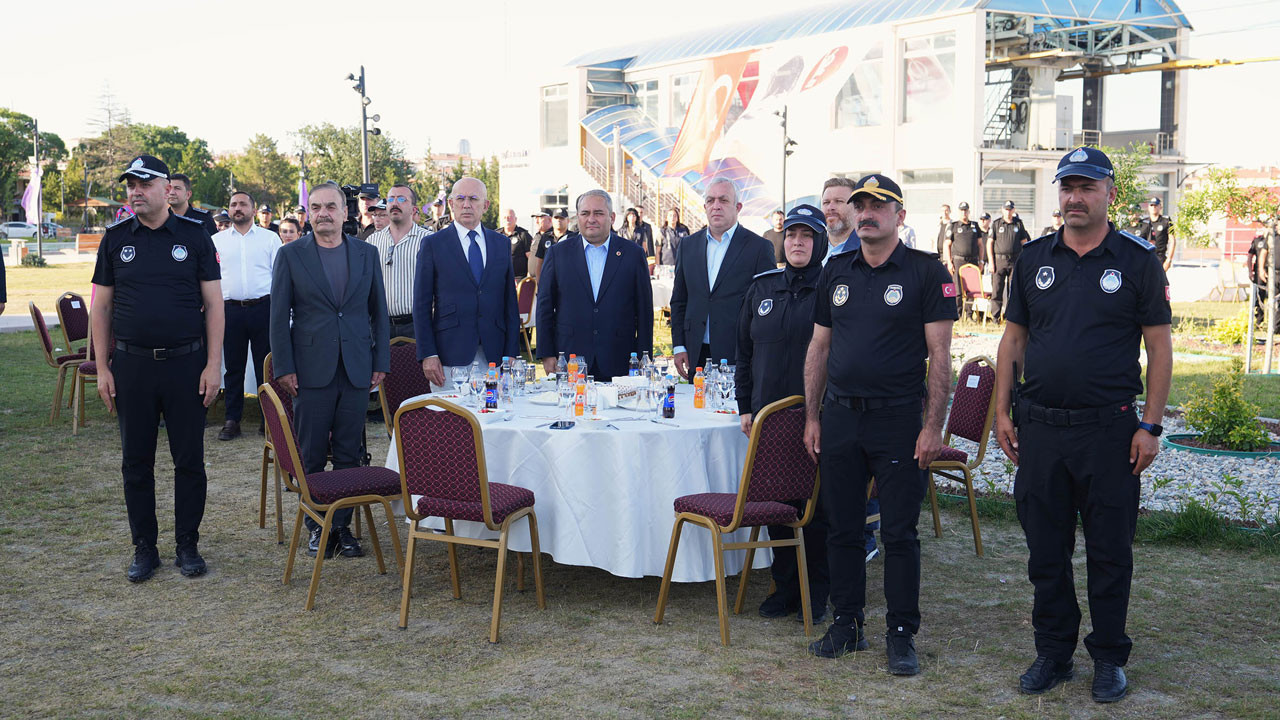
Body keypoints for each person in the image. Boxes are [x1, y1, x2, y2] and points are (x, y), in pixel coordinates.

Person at [994, 147, 1172, 704]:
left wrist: (1151, 426)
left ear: (1109, 194)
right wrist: (1001, 411)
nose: (1075, 197)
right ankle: (1053, 652)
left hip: (1110, 433)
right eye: (1068, 187)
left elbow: (1159, 349)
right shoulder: (1033, 258)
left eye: (1087, 187)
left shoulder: (1137, 261)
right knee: (1045, 551)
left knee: (1109, 552)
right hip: (1042, 430)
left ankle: (1109, 658)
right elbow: (1013, 340)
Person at [802, 173, 956, 674]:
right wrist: (812, 416)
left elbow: (940, 356)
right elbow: (819, 347)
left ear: (899, 216)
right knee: (842, 527)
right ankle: (846, 623)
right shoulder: (836, 271)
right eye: (860, 205)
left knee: (899, 534)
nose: (866, 213)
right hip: (841, 417)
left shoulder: (925, 272)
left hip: (898, 420)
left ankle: (900, 634)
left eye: (878, 206)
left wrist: (932, 427)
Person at [90, 155, 224, 582]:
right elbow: (101, 307)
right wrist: (103, 368)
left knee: (189, 460)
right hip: (132, 366)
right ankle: (144, 547)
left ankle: (188, 544)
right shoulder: (115, 239)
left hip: (186, 364)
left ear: (167, 189)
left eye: (144, 184)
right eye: (131, 184)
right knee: (136, 462)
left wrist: (213, 365)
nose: (136, 191)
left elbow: (214, 305)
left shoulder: (195, 236)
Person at [269, 182, 390, 558]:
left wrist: (380, 362)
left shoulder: (367, 254)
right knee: (312, 453)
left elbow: (378, 312)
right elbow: (278, 317)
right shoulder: (290, 255)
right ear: (309, 214)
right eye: (317, 207)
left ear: (345, 212)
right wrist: (285, 367)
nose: (324, 213)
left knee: (349, 453)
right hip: (309, 370)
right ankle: (316, 527)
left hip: (356, 368)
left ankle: (342, 528)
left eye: (331, 207)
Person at [735, 203, 831, 623]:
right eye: (792, 234)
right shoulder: (762, 288)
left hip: (817, 420)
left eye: (807, 236)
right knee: (776, 507)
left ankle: (817, 593)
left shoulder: (833, 288)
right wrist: (745, 407)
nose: (797, 242)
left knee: (816, 512)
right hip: (768, 421)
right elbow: (743, 353)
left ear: (820, 243)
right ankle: (784, 587)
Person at [412, 176, 520, 387]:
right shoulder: (433, 244)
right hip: (449, 354)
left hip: (494, 353)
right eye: (460, 199)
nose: (466, 204)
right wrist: (428, 353)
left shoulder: (501, 243)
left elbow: (509, 302)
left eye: (473, 199)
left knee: (493, 407)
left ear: (485, 205)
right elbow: (421, 304)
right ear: (451, 204)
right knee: (449, 409)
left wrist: (511, 351)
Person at [536, 189, 653, 379]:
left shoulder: (633, 254)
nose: (591, 219)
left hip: (619, 357)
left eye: (598, 213)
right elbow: (545, 306)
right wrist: (546, 353)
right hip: (570, 358)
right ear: (577, 217)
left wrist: (644, 356)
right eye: (585, 213)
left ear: (612, 217)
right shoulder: (558, 254)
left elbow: (644, 310)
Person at [670, 177, 775, 378]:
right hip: (695, 352)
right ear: (705, 207)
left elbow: (766, 307)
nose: (716, 206)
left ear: (738, 207)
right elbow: (679, 300)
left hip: (738, 354)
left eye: (724, 200)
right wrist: (679, 346)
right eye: (710, 200)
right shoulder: (688, 246)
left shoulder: (759, 248)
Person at [213, 190, 282, 440]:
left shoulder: (270, 239)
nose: (237, 208)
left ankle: (268, 419)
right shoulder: (217, 241)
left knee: (266, 366)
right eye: (233, 204)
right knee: (233, 367)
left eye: (242, 204)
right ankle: (232, 420)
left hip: (263, 308)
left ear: (253, 210)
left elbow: (279, 276)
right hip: (230, 310)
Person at [367, 185, 430, 339]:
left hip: (417, 325)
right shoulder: (372, 241)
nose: (395, 203)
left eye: (402, 199)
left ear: (414, 209)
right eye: (391, 199)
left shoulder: (428, 240)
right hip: (381, 325)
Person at [987, 201, 1030, 323]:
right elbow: (989, 243)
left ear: (1013, 210)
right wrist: (991, 262)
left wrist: (1025, 260)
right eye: (1006, 209)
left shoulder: (1018, 223)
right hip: (999, 260)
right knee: (997, 289)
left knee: (1013, 290)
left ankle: (1010, 316)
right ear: (1002, 210)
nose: (1008, 212)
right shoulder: (996, 224)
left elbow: (1024, 242)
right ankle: (995, 316)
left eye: (1010, 209)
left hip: (1015, 260)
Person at [944, 202, 985, 312]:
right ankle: (958, 312)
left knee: (972, 288)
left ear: (968, 211)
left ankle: (969, 313)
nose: (964, 213)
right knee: (957, 288)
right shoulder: (953, 226)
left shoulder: (975, 226)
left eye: (966, 210)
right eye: (962, 210)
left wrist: (981, 261)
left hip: (973, 260)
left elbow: (980, 245)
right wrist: (949, 262)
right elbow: (947, 245)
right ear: (959, 212)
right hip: (958, 260)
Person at [821, 178, 861, 263]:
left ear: (856, 207)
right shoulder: (811, 248)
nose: (830, 207)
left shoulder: (867, 250)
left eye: (839, 201)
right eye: (826, 202)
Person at [165, 173, 217, 237]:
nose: (171, 192)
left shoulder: (203, 218)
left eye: (177, 188)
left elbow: (214, 241)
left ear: (188, 194)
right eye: (169, 188)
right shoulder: (162, 218)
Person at [531, 209, 574, 280]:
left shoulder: (574, 238)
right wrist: (539, 281)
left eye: (562, 218)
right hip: (549, 279)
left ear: (568, 221)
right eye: (556, 218)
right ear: (551, 220)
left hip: (568, 279)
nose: (558, 220)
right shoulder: (545, 237)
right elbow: (539, 262)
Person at [1137, 197, 1175, 271]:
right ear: (1148, 207)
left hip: (1160, 257)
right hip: (1145, 257)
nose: (1154, 207)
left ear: (1160, 207)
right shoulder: (1143, 222)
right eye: (1151, 205)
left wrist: (1169, 260)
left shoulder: (1166, 221)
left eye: (1156, 205)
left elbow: (1172, 241)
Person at [499, 208, 533, 279]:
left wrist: (529, 276)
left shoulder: (523, 235)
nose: (507, 219)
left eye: (510, 217)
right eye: (505, 217)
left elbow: (531, 258)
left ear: (515, 219)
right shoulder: (496, 235)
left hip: (519, 278)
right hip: (500, 277)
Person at [528, 209, 553, 278]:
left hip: (545, 278)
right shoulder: (537, 236)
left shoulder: (552, 237)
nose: (536, 221)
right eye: (536, 218)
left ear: (550, 219)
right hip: (532, 279)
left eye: (540, 218)